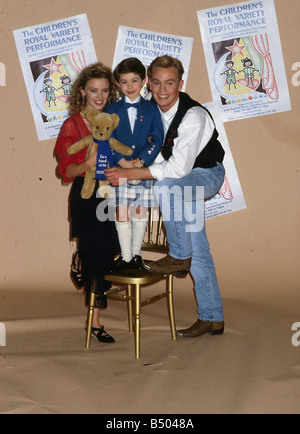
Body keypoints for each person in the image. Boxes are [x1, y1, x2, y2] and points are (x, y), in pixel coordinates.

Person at [106, 55, 226, 338]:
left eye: (169, 83)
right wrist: (133, 164)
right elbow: (154, 149)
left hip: (205, 175)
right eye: (157, 82)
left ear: (180, 84)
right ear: (149, 83)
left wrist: (134, 174)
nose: (162, 90)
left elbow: (177, 168)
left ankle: (178, 256)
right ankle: (212, 318)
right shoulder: (150, 111)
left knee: (165, 187)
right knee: (199, 246)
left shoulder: (193, 115)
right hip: (181, 182)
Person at [55, 62, 120, 343]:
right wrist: (88, 162)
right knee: (96, 257)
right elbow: (66, 172)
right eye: (93, 90)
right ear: (82, 91)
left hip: (107, 193)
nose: (99, 96)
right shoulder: (72, 124)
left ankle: (80, 257)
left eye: (105, 91)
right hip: (84, 194)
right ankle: (94, 323)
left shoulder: (112, 119)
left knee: (111, 253)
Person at [105, 57, 164, 271]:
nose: (130, 87)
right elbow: (106, 137)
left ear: (144, 81)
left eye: (134, 81)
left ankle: (137, 255)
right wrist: (120, 160)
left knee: (139, 211)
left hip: (141, 169)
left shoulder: (152, 109)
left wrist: (141, 161)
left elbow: (157, 139)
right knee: (122, 211)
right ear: (117, 84)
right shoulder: (111, 109)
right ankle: (126, 257)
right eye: (124, 82)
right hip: (119, 169)